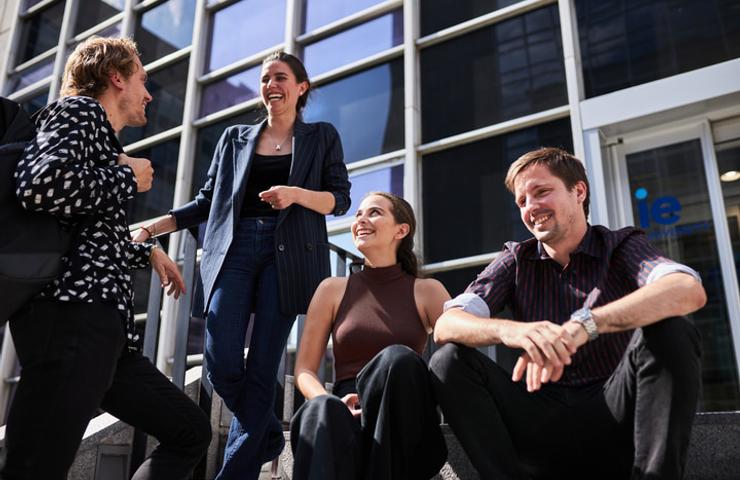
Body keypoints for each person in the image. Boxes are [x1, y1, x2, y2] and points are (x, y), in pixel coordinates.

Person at [133, 51, 351, 479]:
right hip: (233, 250)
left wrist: (295, 194)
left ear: (301, 87)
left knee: (264, 362)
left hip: (286, 253)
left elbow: (339, 199)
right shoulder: (234, 137)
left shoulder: (321, 136)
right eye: (266, 78)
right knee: (219, 359)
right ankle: (267, 430)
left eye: (281, 77)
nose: (271, 84)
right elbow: (205, 202)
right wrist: (152, 228)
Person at [429, 147, 706, 480]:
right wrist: (512, 332)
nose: (531, 208)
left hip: (615, 412)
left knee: (670, 330)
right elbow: (446, 323)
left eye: (541, 192)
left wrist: (585, 324)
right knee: (448, 361)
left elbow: (686, 289)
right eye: (521, 201)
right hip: (540, 419)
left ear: (579, 191)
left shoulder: (619, 245)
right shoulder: (516, 259)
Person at [4, 36, 211, 480]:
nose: (148, 93)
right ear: (116, 78)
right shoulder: (79, 111)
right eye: (142, 79)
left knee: (189, 430)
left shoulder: (97, 136)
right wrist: (124, 176)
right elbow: (38, 186)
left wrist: (147, 251)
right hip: (71, 321)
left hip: (102, 333)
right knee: (33, 467)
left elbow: (83, 236)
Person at [290, 192, 450, 480]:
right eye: (359, 214)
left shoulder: (428, 291)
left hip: (402, 414)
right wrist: (331, 401)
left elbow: (455, 356)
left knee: (398, 358)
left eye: (374, 212)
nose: (361, 219)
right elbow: (304, 369)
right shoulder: (331, 289)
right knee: (319, 410)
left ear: (401, 230)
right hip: (346, 410)